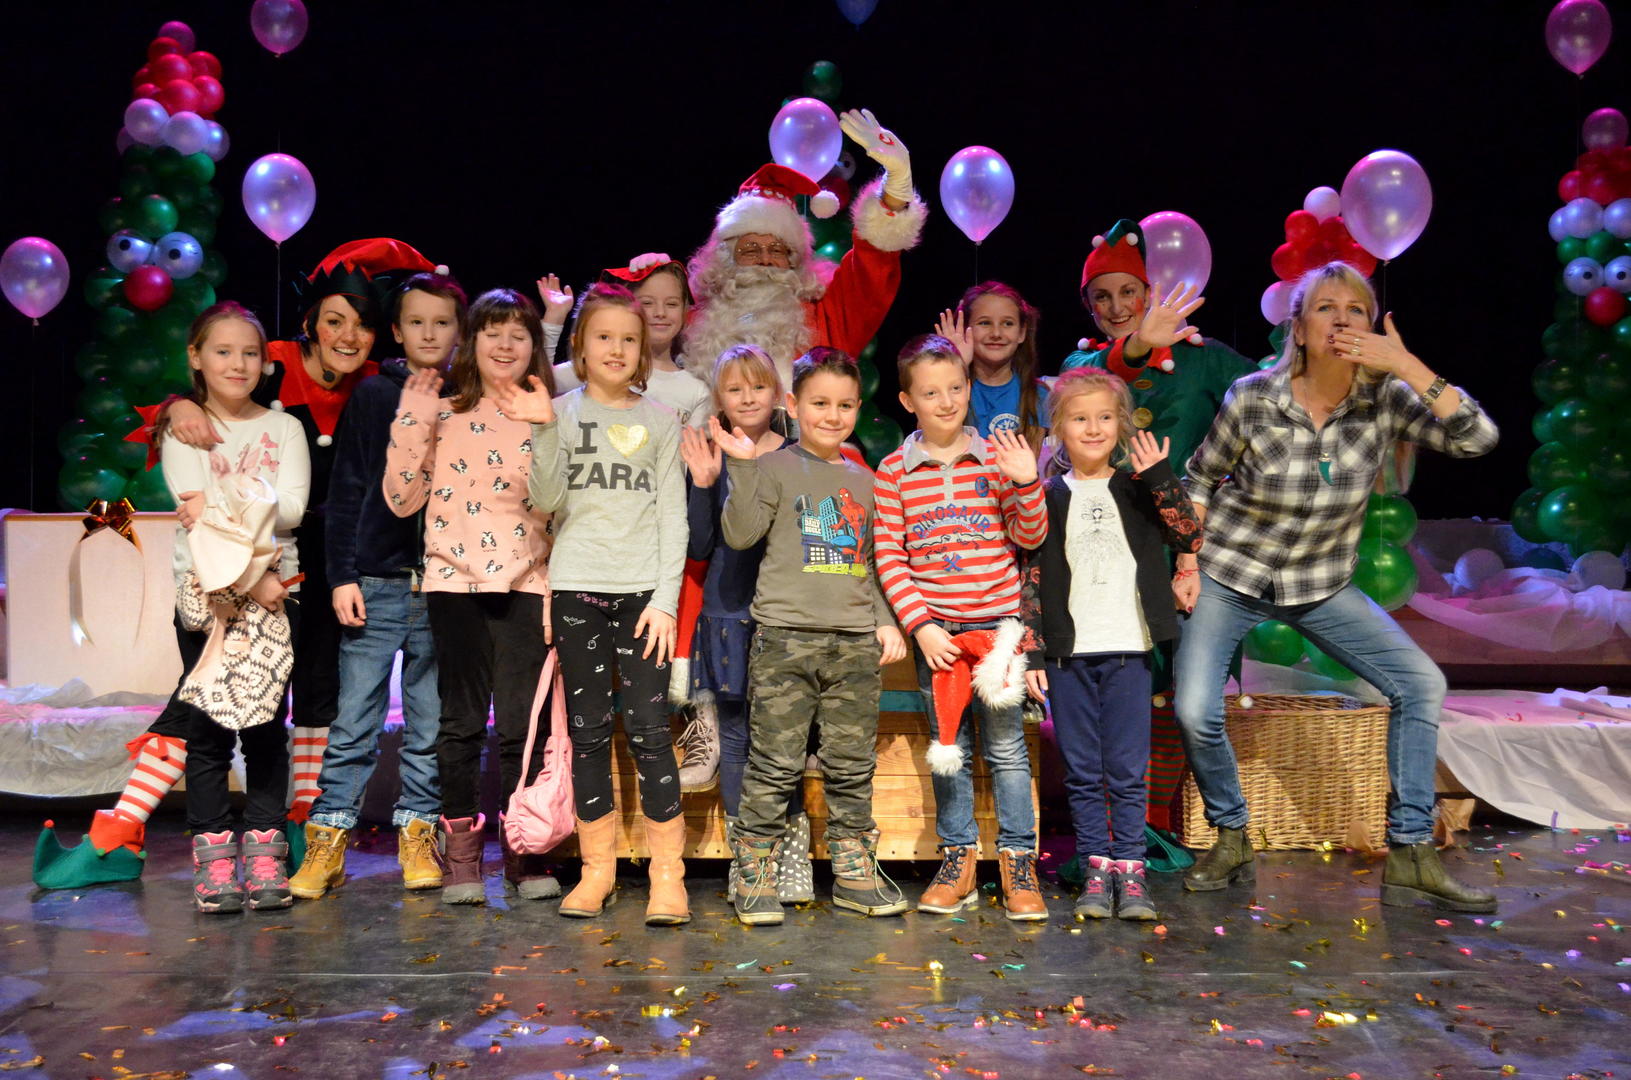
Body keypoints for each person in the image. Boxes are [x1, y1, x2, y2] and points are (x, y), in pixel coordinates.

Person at [1175, 261, 1499, 913]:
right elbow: (1199, 478)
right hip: (1232, 574)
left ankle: (1410, 852)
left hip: (1320, 584)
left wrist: (1407, 365)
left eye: (1356, 309)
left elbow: (1478, 439)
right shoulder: (1253, 397)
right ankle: (1232, 835)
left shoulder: (1386, 400)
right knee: (1194, 710)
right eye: (1326, 307)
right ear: (1298, 328)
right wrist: (1186, 560)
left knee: (1421, 684)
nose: (1342, 320)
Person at [139, 239, 443, 840]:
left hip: (328, 561)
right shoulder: (270, 362)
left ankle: (304, 824)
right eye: (334, 321)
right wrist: (175, 407)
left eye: (363, 326)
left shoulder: (382, 384)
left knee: (316, 690)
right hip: (243, 563)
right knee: (201, 698)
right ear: (310, 323)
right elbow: (213, 385)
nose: (348, 337)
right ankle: (120, 828)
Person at [506, 283, 689, 926]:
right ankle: (596, 872)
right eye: (604, 337)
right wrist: (544, 428)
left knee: (649, 731)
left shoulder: (662, 420)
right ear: (580, 345)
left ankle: (668, 876)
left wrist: (665, 602)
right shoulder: (558, 410)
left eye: (629, 339)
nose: (617, 349)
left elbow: (674, 518)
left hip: (643, 598)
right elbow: (547, 497)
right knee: (585, 734)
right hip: (578, 589)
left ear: (642, 350)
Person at [289, 271, 468, 901]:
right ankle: (327, 841)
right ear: (396, 330)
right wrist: (342, 575)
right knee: (354, 722)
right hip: (378, 581)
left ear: (459, 331)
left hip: (446, 586)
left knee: (429, 724)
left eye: (441, 322)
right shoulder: (373, 395)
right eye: (416, 322)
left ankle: (417, 835)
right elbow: (346, 491)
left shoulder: (470, 397)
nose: (429, 333)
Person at [715, 348, 909, 926]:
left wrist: (883, 619)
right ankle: (754, 874)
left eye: (846, 405)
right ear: (793, 405)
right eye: (820, 403)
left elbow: (871, 562)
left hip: (851, 643)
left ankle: (854, 875)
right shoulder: (773, 466)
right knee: (774, 764)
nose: (833, 415)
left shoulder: (865, 480)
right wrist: (742, 467)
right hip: (785, 639)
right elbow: (741, 534)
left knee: (851, 765)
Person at [380, 288, 558, 905]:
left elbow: (560, 507)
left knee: (521, 729)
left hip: (526, 584)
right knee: (458, 724)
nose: (505, 345)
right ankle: (460, 858)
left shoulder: (549, 413)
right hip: (453, 584)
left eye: (518, 334)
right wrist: (412, 416)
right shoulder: (444, 411)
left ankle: (524, 852)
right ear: (472, 341)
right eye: (492, 332)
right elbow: (400, 499)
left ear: (534, 345)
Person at [870, 333, 1049, 920]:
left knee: (1007, 750)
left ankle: (1018, 861)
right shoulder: (894, 471)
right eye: (931, 393)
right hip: (939, 634)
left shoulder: (996, 456)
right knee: (949, 747)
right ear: (908, 401)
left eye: (954, 388)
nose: (945, 401)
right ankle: (958, 860)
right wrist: (920, 626)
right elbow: (890, 556)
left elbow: (1029, 536)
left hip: (998, 630)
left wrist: (1026, 482)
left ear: (968, 389)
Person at [1022, 369, 1202, 921]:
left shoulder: (1137, 488)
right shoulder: (1048, 496)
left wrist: (1161, 477)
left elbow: (1188, 533)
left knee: (1126, 768)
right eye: (1080, 418)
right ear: (1059, 428)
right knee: (1082, 770)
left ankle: (1131, 866)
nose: (1093, 428)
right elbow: (1030, 577)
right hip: (1068, 654)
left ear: (1121, 424)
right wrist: (1033, 652)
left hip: (1129, 647)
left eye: (1104, 417)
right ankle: (1096, 867)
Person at [165, 303, 311, 911]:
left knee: (265, 729)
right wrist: (254, 573)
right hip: (208, 597)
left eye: (250, 352)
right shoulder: (184, 427)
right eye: (222, 351)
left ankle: (265, 849)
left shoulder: (284, 428)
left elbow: (292, 510)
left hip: (278, 596)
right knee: (208, 732)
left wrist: (224, 505)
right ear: (196, 357)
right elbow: (196, 517)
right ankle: (215, 859)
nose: (238, 363)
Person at [629, 110, 925, 400]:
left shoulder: (826, 319)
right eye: (750, 249)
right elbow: (630, 339)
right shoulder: (693, 318)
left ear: (795, 260)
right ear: (725, 257)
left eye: (777, 250)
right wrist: (648, 281)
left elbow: (873, 265)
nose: (765, 259)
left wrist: (897, 185)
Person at [677, 345, 809, 901]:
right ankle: (749, 860)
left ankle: (792, 855)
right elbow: (700, 544)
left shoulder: (799, 453)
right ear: (720, 399)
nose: (748, 397)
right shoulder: (711, 455)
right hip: (729, 611)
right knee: (736, 739)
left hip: (786, 611)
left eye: (758, 386)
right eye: (735, 389)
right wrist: (705, 483)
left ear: (777, 393)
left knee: (783, 739)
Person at [549, 261, 711, 428]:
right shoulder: (605, 367)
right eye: (647, 303)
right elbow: (539, 380)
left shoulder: (696, 390)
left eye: (672, 304)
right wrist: (554, 319)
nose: (660, 313)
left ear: (685, 310)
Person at [935, 282, 1049, 450]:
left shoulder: (1037, 395)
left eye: (1008, 323)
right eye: (985, 323)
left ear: (1021, 332)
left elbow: (1029, 460)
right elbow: (929, 443)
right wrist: (954, 368)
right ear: (965, 329)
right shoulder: (951, 389)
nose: (996, 333)